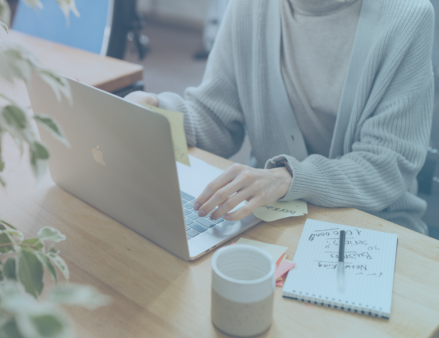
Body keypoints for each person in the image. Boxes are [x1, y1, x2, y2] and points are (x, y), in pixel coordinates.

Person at [125, 0, 435, 234]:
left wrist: (286, 178)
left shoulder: (407, 15)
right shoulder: (250, 6)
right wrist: (160, 112)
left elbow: (386, 166)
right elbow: (216, 115)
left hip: (373, 223)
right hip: (273, 216)